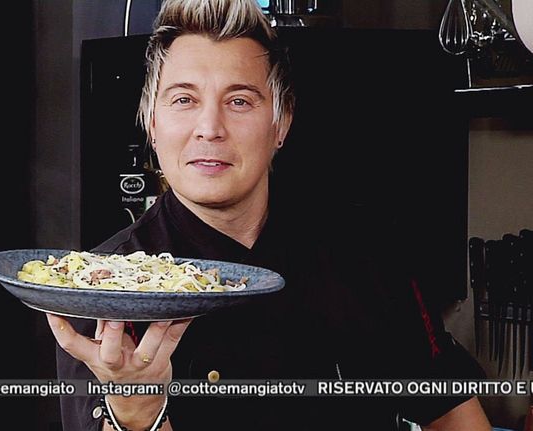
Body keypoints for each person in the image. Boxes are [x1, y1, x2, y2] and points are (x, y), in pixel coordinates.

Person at [47, 0, 491, 429]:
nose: (210, 128)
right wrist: (139, 413)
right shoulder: (100, 292)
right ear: (151, 122)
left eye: (239, 101)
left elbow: (451, 410)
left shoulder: (364, 251)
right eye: (183, 100)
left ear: (281, 123)